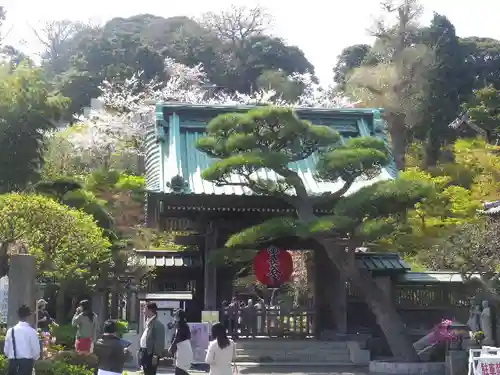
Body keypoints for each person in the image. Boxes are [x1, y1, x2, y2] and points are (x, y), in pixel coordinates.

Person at [4, 305, 41, 375]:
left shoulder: (10, 331)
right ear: (28, 317)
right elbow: (36, 352)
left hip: (13, 364)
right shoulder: (32, 332)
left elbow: (6, 351)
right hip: (27, 364)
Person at [139, 302, 166, 375]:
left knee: (150, 372)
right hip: (145, 352)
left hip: (151, 354)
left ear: (150, 310)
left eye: (145, 309)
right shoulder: (149, 322)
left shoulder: (158, 324)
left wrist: (156, 355)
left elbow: (159, 341)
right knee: (146, 372)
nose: (143, 311)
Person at [169, 309, 193, 375]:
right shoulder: (184, 325)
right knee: (181, 370)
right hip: (184, 349)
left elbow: (177, 337)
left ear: (179, 317)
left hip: (183, 350)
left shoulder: (181, 326)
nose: (174, 318)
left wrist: (172, 347)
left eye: (175, 316)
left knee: (180, 370)